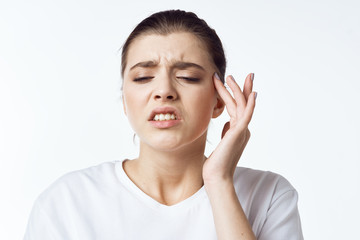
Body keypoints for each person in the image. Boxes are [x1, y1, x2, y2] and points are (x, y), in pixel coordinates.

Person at [24, 10, 303, 240]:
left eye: (188, 77)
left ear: (219, 101)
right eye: (144, 77)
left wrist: (219, 182)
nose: (164, 91)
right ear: (125, 99)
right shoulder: (67, 202)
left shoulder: (269, 195)